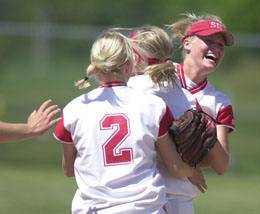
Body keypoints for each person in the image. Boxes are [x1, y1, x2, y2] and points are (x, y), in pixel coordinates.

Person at [53, 30, 205, 214]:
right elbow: (174, 167)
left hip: (94, 209)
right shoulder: (154, 106)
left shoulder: (73, 109)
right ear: (129, 64)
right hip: (144, 208)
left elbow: (69, 170)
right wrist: (192, 171)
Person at [128, 25, 208, 214]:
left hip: (141, 198)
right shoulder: (186, 95)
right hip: (182, 195)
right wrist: (192, 169)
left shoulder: (129, 90)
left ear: (136, 57)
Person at [168, 12, 236, 174]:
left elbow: (221, 166)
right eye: (209, 41)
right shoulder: (161, 76)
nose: (216, 48)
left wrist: (207, 129)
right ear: (187, 43)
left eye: (221, 45)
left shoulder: (219, 102)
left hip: (181, 193)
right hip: (146, 183)